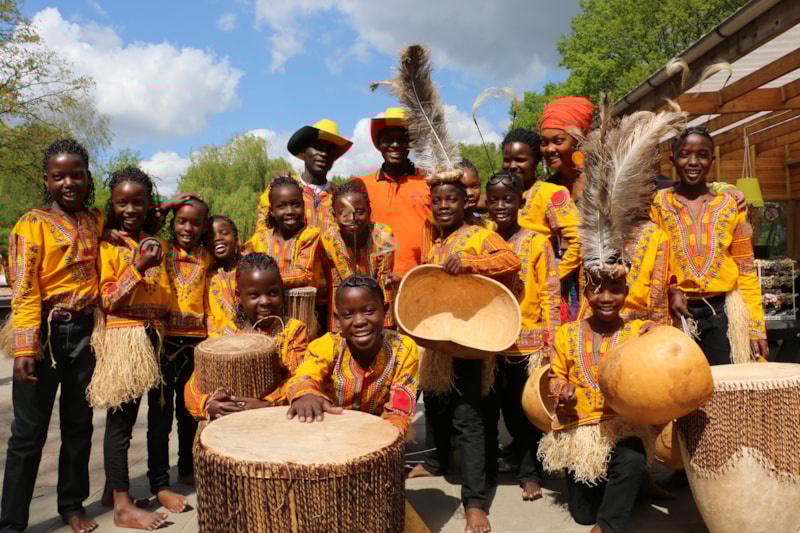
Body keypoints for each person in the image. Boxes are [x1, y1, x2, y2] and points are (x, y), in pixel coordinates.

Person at [1, 139, 101, 533]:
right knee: (28, 433)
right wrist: (25, 347)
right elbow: (24, 289)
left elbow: (136, 215)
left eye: (77, 175)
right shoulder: (31, 224)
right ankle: (12, 523)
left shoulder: (95, 220)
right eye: (59, 176)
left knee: (79, 424)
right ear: (46, 180)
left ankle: (72, 506)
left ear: (88, 177)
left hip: (86, 332)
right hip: (44, 332)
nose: (69, 183)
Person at [413, 172, 521, 533]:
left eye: (451, 199)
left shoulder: (480, 235)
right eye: (437, 200)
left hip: (472, 341)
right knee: (438, 409)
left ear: (466, 202)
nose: (443, 206)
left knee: (469, 420)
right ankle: (441, 463)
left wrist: (471, 263)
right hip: (439, 342)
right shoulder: (437, 241)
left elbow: (511, 260)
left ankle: (474, 503)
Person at [539, 275, 656, 533]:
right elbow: (555, 377)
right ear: (586, 294)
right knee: (584, 515)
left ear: (626, 292)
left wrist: (657, 333)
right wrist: (562, 392)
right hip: (580, 432)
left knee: (631, 457)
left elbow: (660, 359)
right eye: (597, 290)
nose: (606, 298)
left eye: (615, 291)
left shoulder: (638, 332)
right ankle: (633, 487)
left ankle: (606, 527)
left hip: (622, 426)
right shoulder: (566, 333)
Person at [93, 166, 171, 529]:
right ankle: (122, 507)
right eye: (121, 202)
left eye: (138, 202)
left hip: (152, 337)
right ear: (111, 204)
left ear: (148, 203)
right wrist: (138, 266)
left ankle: (113, 492)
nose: (129, 209)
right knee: (120, 424)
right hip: (124, 340)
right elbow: (108, 299)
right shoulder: (107, 245)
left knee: (139, 420)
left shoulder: (154, 241)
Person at [651, 127, 768, 364]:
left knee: (726, 381)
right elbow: (652, 261)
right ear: (672, 160)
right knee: (680, 382)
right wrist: (671, 289)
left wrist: (756, 328)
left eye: (702, 155)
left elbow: (745, 269)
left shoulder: (731, 206)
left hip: (723, 313)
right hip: (675, 313)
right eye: (685, 154)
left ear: (712, 160)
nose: (693, 162)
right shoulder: (658, 205)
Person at [483, 171, 561, 501]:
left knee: (526, 414)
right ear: (486, 203)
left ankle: (530, 473)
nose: (501, 205)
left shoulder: (536, 242)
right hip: (488, 344)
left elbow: (550, 293)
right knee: (489, 411)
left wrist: (551, 343)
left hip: (527, 346)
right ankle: (487, 471)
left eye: (508, 199)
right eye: (494, 199)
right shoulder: (481, 240)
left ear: (521, 202)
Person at [286, 274, 418, 435]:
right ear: (337, 319)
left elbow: (400, 411)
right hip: (327, 434)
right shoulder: (326, 346)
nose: (359, 321)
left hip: (378, 436)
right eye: (348, 315)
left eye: (369, 311)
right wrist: (306, 394)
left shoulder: (402, 348)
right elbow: (304, 376)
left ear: (385, 311)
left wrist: (384, 438)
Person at [185, 253, 309, 418]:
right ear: (238, 296)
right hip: (229, 422)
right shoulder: (224, 337)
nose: (265, 301)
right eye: (254, 295)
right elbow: (194, 385)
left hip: (275, 418)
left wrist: (268, 403)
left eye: (273, 293)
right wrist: (208, 404)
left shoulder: (292, 331)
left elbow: (300, 377)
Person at [156, 196, 213, 499]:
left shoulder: (207, 257)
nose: (188, 228)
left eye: (195, 223)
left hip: (196, 343)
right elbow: (146, 223)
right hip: (164, 342)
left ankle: (187, 467)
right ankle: (158, 477)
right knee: (161, 413)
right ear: (172, 223)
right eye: (181, 221)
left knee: (189, 411)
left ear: (204, 227)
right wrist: (166, 206)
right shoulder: (162, 250)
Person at [359, 108, 431, 281]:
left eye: (402, 139)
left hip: (420, 278)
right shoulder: (361, 185)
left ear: (411, 143)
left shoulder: (429, 181)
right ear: (379, 144)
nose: (395, 145)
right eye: (388, 139)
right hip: (374, 280)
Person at [321, 180, 395, 332]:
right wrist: (338, 328)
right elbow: (335, 286)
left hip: (375, 307)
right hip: (344, 311)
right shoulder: (328, 240)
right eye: (345, 213)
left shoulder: (383, 234)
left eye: (360, 212)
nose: (353, 218)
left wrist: (386, 325)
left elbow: (383, 281)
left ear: (369, 211)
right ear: (335, 216)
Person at [245, 176, 321, 289]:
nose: (290, 211)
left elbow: (303, 274)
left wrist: (263, 279)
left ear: (303, 206)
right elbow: (244, 267)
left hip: (298, 301)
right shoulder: (259, 239)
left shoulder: (309, 235)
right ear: (272, 211)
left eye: (296, 204)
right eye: (281, 206)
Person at [205, 216, 240, 337]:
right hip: (216, 342)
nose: (217, 238)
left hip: (248, 340)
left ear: (236, 238)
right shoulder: (206, 277)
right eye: (210, 236)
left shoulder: (249, 270)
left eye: (224, 233)